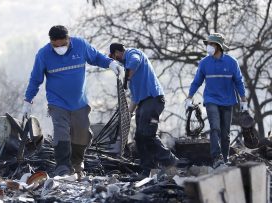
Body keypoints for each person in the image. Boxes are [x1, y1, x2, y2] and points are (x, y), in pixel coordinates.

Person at [22, 25, 122, 177]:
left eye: (63, 44)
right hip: (57, 103)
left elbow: (95, 57)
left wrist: (110, 63)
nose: (60, 47)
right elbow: (35, 79)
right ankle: (62, 166)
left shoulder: (80, 46)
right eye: (56, 45)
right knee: (61, 131)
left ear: (68, 39)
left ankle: (76, 163)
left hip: (79, 103)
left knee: (81, 132)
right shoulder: (43, 55)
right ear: (51, 42)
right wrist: (27, 101)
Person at [109, 43, 177, 179]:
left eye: (114, 56)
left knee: (148, 134)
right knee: (139, 137)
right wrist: (127, 114)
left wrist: (126, 77)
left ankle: (170, 161)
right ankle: (147, 169)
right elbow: (135, 98)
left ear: (117, 52)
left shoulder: (132, 54)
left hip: (154, 100)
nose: (116, 59)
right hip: (144, 103)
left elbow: (135, 61)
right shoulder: (133, 78)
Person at [185, 33, 248, 168]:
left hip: (228, 101)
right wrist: (189, 97)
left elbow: (239, 81)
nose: (209, 46)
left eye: (211, 44)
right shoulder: (204, 63)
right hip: (211, 99)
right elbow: (197, 82)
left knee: (225, 134)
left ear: (219, 46)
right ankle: (216, 157)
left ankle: (224, 160)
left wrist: (243, 100)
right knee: (215, 128)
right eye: (208, 44)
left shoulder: (231, 63)